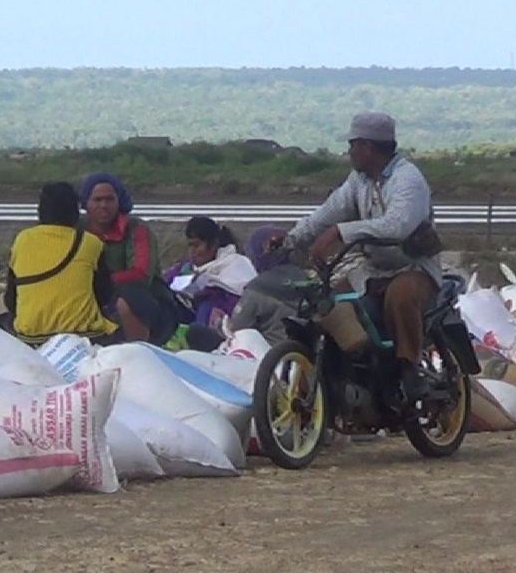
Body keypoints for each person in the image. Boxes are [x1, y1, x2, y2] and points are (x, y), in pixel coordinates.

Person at [272, 112, 443, 401]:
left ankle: (409, 369)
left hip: (413, 268)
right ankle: (345, 377)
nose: (349, 152)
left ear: (368, 147)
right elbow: (325, 215)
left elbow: (397, 225)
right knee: (329, 304)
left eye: (352, 145)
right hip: (373, 269)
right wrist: (290, 239)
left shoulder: (407, 179)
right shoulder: (358, 181)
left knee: (400, 297)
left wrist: (342, 231)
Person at [0, 181, 120, 345]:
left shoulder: (22, 239)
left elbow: (11, 298)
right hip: (85, 336)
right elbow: (104, 294)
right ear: (75, 211)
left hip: (32, 337)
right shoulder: (90, 242)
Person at [79, 172, 179, 345]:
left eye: (109, 199)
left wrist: (99, 281)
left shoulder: (137, 229)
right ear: (86, 203)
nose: (104, 205)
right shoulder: (77, 229)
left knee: (127, 299)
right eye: (97, 200)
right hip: (94, 299)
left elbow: (141, 274)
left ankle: (139, 351)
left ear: (119, 201)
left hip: (148, 301)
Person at [163, 216, 257, 330]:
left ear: (213, 245)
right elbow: (166, 283)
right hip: (190, 317)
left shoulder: (236, 264)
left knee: (206, 307)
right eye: (190, 245)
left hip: (221, 322)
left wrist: (207, 292)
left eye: (196, 245)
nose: (192, 251)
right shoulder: (187, 266)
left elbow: (243, 301)